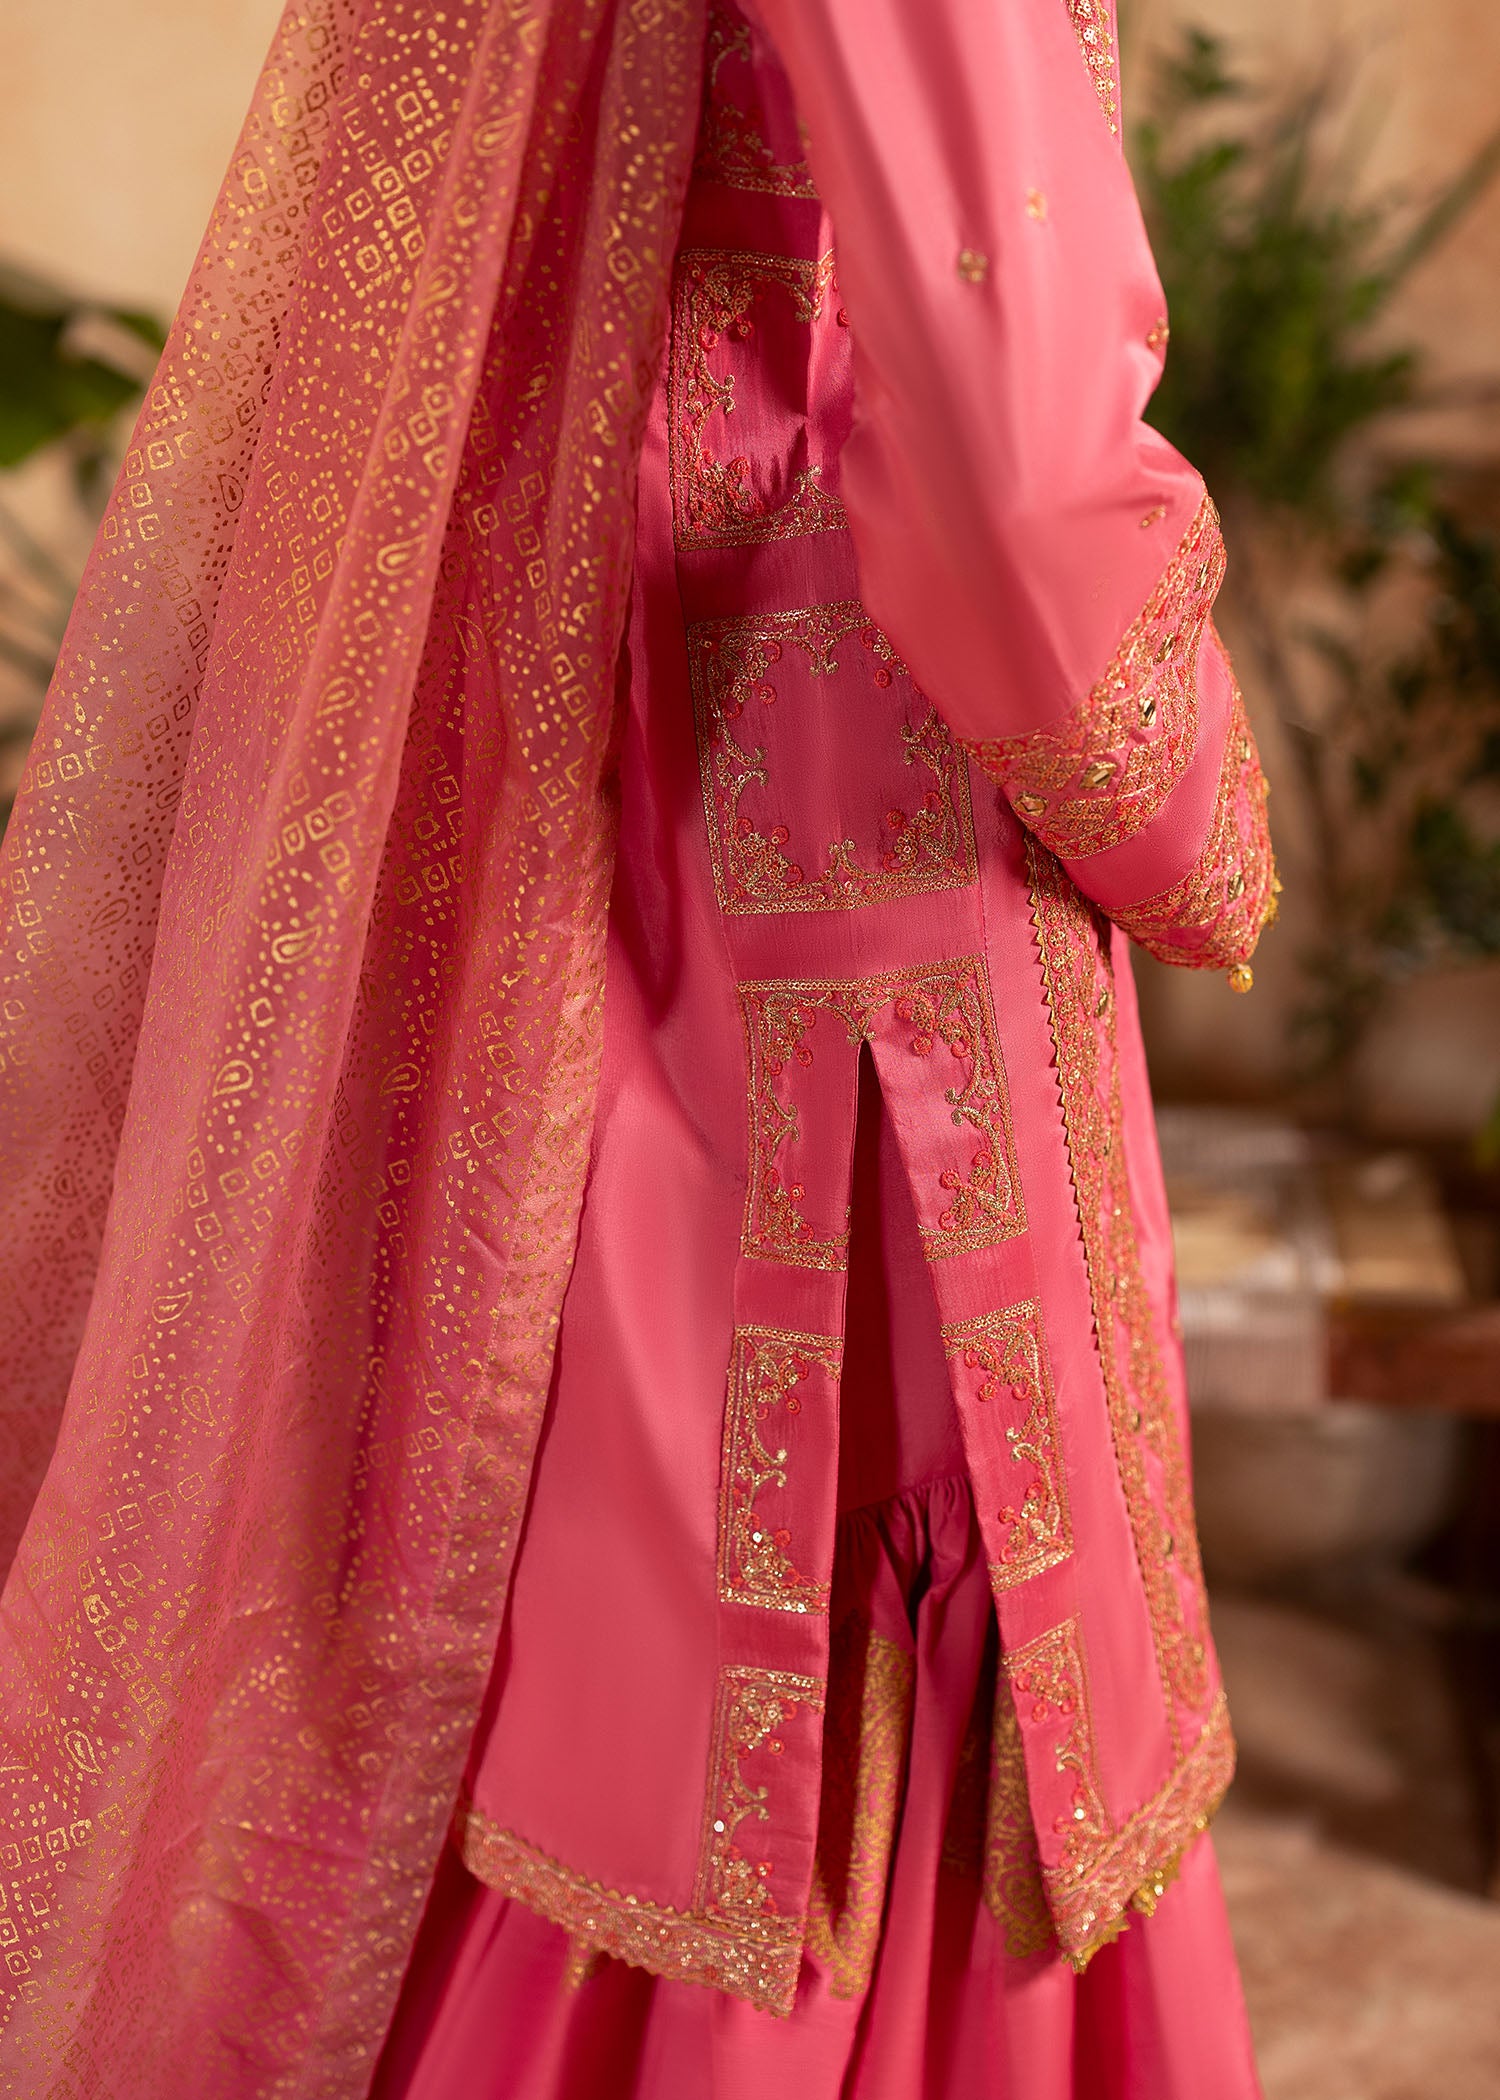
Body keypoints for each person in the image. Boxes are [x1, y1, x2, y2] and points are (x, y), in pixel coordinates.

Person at [0, 0, 1273, 2094]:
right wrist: (1190, 805)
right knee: (780, 1690)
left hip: (601, 776)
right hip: (868, 874)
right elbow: (1014, 473)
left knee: (613, 1609)